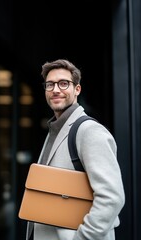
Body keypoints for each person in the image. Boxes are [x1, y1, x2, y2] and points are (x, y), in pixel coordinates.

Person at [33, 59, 125, 240]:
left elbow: (111, 198)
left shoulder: (90, 131)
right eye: (50, 84)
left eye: (63, 83)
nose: (56, 90)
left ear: (77, 89)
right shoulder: (55, 129)